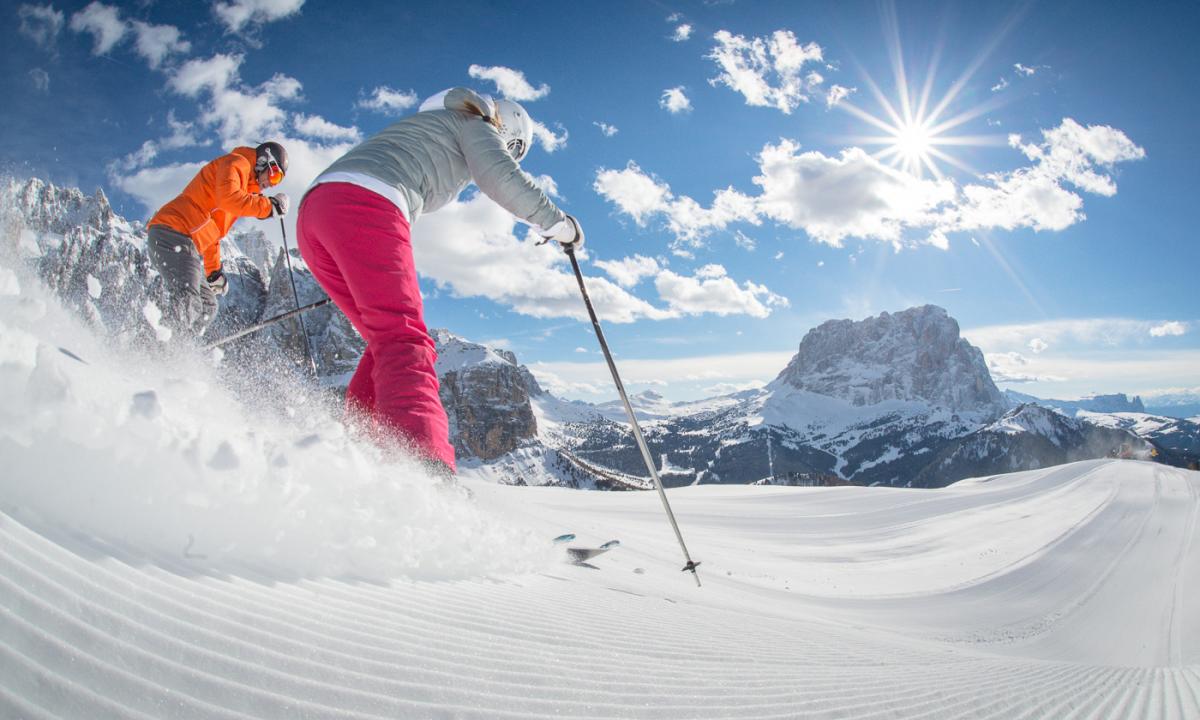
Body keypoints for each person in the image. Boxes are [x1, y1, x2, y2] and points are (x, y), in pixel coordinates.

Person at [297, 88, 582, 474]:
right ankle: (423, 469)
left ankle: (359, 455)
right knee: (406, 339)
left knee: (383, 340)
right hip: (368, 203)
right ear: (509, 132)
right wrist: (559, 225)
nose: (509, 154)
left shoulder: (434, 121)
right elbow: (499, 176)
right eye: (513, 149)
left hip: (316, 211)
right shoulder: (475, 123)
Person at [146, 142, 291, 337]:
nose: (272, 183)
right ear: (264, 160)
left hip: (186, 242)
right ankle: (156, 348)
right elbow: (229, 199)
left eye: (278, 180)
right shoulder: (236, 163)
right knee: (188, 299)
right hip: (172, 231)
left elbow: (213, 234)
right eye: (275, 175)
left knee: (208, 305)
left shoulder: (244, 191)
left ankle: (180, 346)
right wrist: (267, 207)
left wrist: (214, 273)